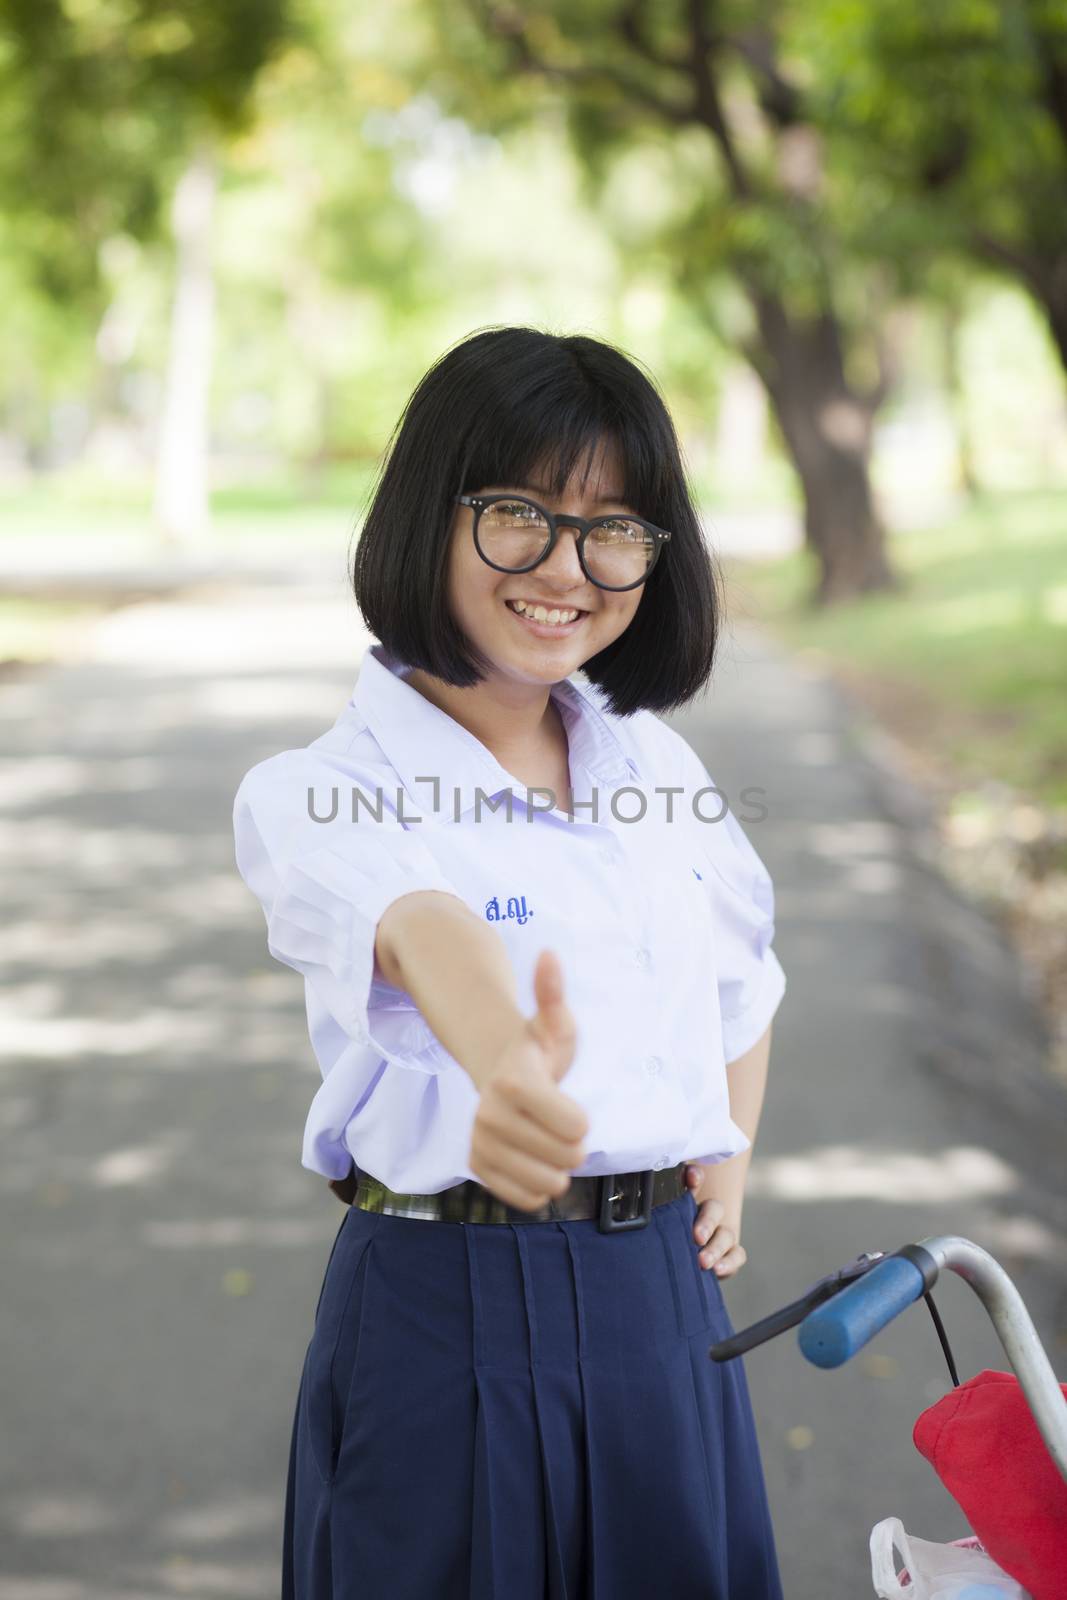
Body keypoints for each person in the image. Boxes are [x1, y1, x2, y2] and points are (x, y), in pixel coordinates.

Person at [232, 325, 788, 1599]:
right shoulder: (317, 791)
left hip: (662, 1314)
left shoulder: (653, 763)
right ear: (431, 511)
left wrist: (725, 1164)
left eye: (613, 529)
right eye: (517, 515)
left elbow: (740, 981)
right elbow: (421, 923)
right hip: (445, 1308)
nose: (565, 567)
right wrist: (504, 1067)